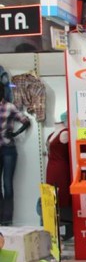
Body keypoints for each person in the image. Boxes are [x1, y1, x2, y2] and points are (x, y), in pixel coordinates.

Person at [0, 82, 30, 226]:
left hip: (8, 149)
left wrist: (15, 133)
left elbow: (26, 121)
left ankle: (7, 220)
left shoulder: (10, 107)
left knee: (7, 185)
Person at [45, 111, 72, 239]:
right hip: (51, 168)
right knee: (52, 196)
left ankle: (68, 229)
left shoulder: (65, 133)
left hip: (61, 169)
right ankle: (54, 229)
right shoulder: (52, 134)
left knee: (62, 196)